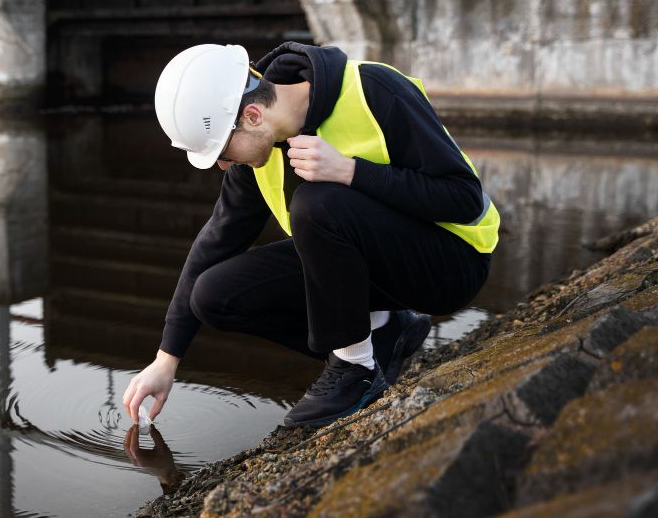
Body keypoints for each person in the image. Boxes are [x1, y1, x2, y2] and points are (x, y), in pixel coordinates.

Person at [122, 42, 499, 428]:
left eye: (221, 149)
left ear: (252, 115)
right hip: (381, 274)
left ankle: (356, 372)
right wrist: (167, 358)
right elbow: (216, 240)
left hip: (452, 264)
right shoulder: (259, 150)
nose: (221, 164)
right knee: (215, 295)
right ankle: (385, 332)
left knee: (316, 203)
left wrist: (352, 172)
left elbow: (464, 198)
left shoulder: (375, 89)